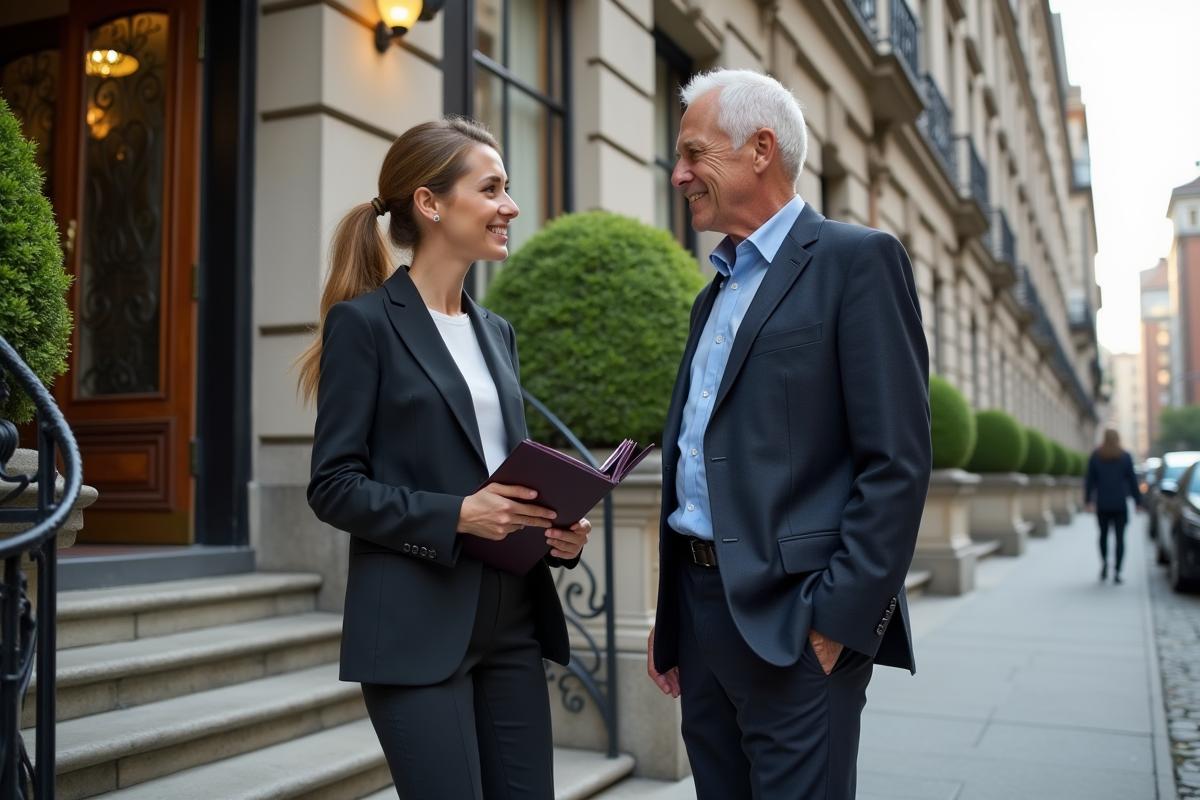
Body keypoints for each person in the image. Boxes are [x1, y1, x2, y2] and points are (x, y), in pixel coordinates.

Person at [645, 69, 931, 800]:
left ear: (760, 149)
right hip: (702, 619)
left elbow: (895, 461)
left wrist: (838, 619)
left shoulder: (857, 262)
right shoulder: (711, 295)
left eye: (693, 154)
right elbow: (698, 462)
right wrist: (672, 616)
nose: (677, 174)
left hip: (798, 626)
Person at [301, 117, 591, 800]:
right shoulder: (364, 324)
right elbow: (333, 487)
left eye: (507, 190)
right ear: (430, 204)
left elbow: (501, 477)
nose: (510, 207)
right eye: (491, 189)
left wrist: (556, 531)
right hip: (412, 625)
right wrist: (458, 515)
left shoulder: (497, 333)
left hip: (512, 621)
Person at [1085, 428, 1143, 584]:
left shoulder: (1096, 456)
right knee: (1120, 538)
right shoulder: (1125, 456)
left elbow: (1089, 480)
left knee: (1103, 536)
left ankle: (1104, 564)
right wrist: (1138, 502)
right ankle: (1117, 571)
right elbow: (1132, 481)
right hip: (1119, 504)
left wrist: (1088, 501)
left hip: (1102, 503)